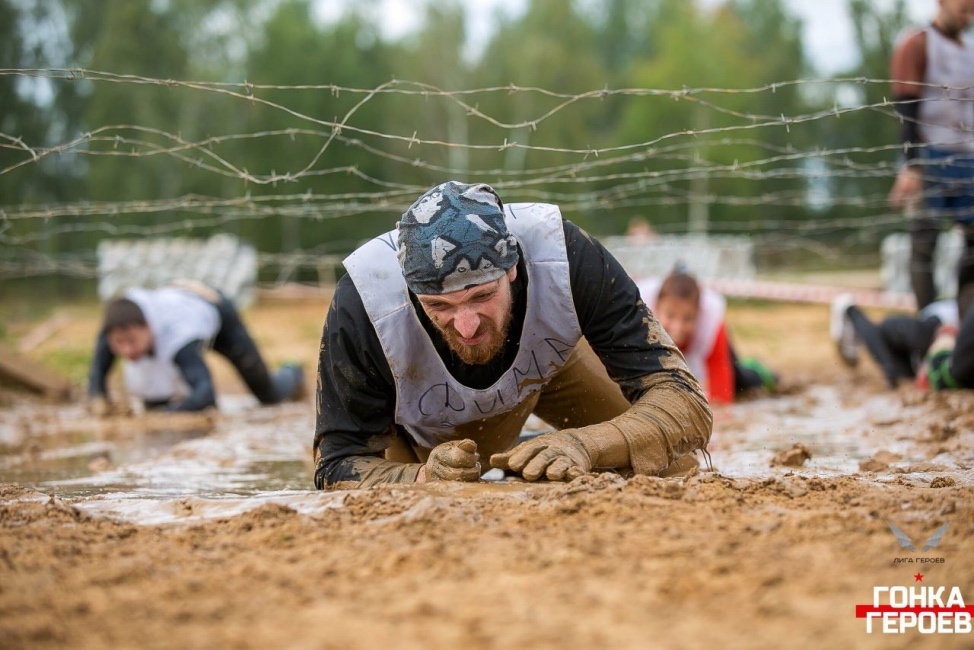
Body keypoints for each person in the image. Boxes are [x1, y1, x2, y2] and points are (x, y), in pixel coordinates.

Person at [314, 181, 712, 488]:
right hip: (423, 435)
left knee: (675, 466)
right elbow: (335, 466)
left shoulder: (565, 256)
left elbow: (686, 405)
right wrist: (421, 479)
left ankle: (538, 443)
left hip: (549, 369)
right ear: (412, 293)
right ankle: (522, 448)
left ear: (513, 269)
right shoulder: (363, 304)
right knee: (427, 500)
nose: (467, 326)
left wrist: (586, 445)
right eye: (439, 306)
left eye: (482, 296)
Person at [87, 281, 304, 414]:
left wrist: (167, 415)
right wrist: (100, 403)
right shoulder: (115, 326)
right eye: (119, 344)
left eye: (132, 341)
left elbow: (206, 394)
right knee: (155, 401)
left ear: (149, 328)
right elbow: (96, 379)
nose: (126, 351)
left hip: (213, 308)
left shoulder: (180, 340)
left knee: (269, 396)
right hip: (176, 296)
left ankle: (293, 371)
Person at [888, 0, 974, 311]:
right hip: (930, 155)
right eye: (963, 8)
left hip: (968, 157)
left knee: (973, 243)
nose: (968, 14)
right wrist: (911, 165)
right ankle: (930, 320)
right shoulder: (918, 44)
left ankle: (966, 318)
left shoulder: (970, 50)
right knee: (925, 244)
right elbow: (906, 108)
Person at [637, 270, 777, 404]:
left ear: (699, 314)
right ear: (656, 308)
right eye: (670, 315)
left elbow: (721, 396)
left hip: (716, 352)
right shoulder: (640, 314)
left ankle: (761, 372)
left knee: (741, 383)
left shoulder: (710, 323)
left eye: (687, 318)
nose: (677, 327)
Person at [830, 292, 959, 388]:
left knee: (901, 374)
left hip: (921, 355)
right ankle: (849, 309)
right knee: (890, 347)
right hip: (938, 322)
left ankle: (859, 333)